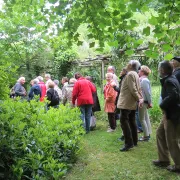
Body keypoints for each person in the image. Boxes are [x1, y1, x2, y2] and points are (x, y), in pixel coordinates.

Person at [153, 61, 180, 173]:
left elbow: (173, 95)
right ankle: (163, 160)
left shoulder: (169, 80)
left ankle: (178, 165)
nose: (159, 71)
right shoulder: (171, 79)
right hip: (168, 114)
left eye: (159, 69)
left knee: (171, 140)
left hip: (172, 115)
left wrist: (162, 104)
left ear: (163, 70)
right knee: (160, 133)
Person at [117, 60, 143, 151]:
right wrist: (139, 98)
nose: (126, 64)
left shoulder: (130, 74)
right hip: (131, 102)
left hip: (126, 102)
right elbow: (137, 89)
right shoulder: (135, 74)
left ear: (131, 65)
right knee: (132, 121)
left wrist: (139, 99)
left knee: (124, 121)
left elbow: (133, 89)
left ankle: (129, 143)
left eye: (128, 63)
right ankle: (134, 141)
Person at [111, 68, 127, 139]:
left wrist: (114, 86)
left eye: (121, 71)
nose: (120, 72)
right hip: (122, 100)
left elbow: (121, 90)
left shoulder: (124, 79)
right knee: (123, 119)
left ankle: (125, 135)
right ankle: (124, 134)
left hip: (123, 101)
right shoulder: (123, 79)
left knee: (123, 119)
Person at [138, 65, 152, 141]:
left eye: (139, 70)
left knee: (142, 119)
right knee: (145, 118)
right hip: (144, 101)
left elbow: (148, 93)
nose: (138, 72)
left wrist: (150, 102)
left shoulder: (144, 80)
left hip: (143, 102)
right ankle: (148, 134)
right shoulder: (142, 80)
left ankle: (146, 136)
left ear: (142, 71)